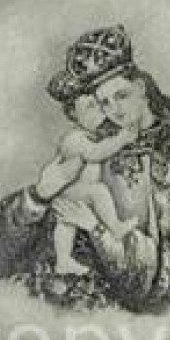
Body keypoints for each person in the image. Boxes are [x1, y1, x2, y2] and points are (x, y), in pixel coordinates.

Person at [0, 26, 170, 313]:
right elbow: (1, 243)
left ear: (141, 88)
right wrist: (37, 197)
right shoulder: (95, 143)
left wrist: (94, 228)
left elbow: (153, 279)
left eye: (121, 95)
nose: (114, 111)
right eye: (104, 102)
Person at [43, 70, 139, 275]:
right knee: (99, 191)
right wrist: (122, 139)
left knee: (67, 226)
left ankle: (63, 261)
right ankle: (115, 227)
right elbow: (95, 153)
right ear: (73, 115)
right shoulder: (74, 139)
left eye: (99, 106)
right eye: (89, 108)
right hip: (70, 190)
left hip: (78, 192)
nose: (100, 112)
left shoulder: (91, 134)